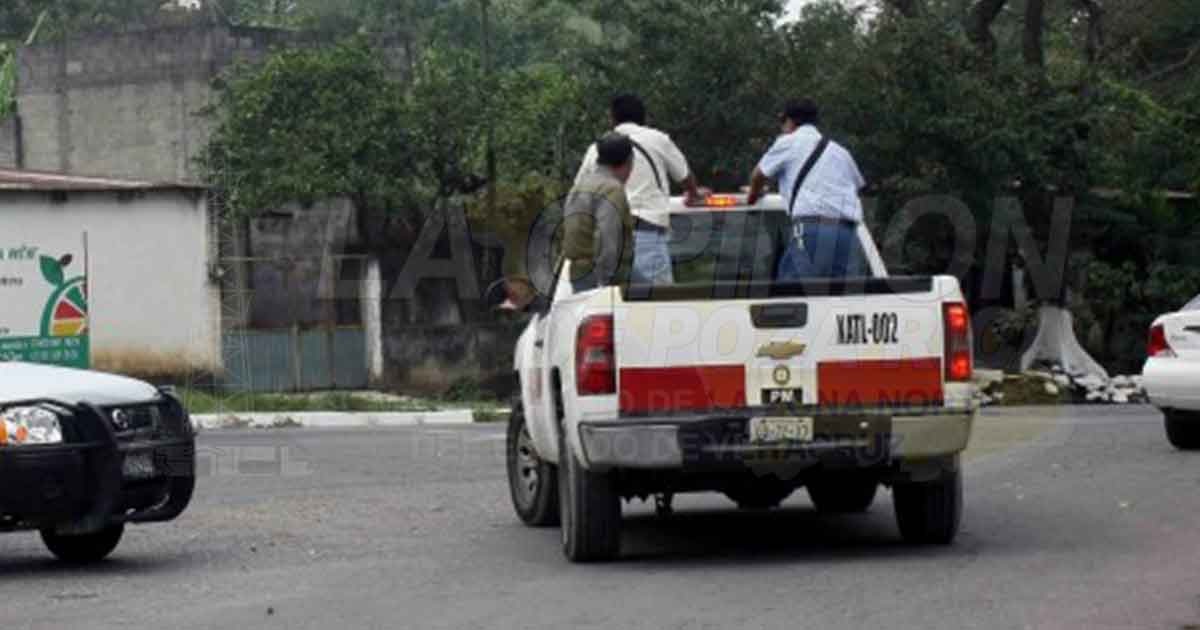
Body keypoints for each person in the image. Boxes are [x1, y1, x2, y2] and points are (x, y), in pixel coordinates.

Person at [575, 93, 704, 285]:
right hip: (646, 233)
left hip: (606, 239)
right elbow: (684, 175)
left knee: (611, 305)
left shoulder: (596, 149)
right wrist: (694, 194)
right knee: (654, 307)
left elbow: (580, 192)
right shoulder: (658, 140)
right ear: (643, 117)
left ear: (612, 118)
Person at [746, 98, 866, 280]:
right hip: (847, 234)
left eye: (782, 122)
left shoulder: (787, 142)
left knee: (793, 295)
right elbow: (857, 185)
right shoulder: (840, 152)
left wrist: (753, 196)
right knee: (844, 299)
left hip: (811, 229)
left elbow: (758, 175)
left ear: (789, 121)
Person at [562, 133, 636, 293]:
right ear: (628, 162)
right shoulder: (611, 189)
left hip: (578, 273)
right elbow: (606, 235)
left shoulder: (581, 185)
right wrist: (606, 279)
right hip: (600, 275)